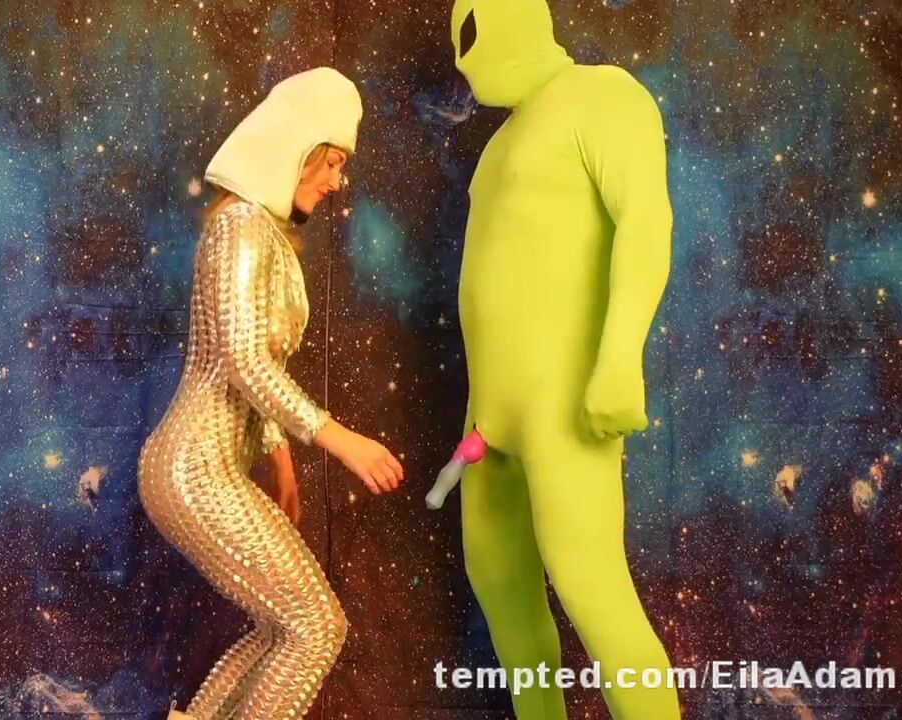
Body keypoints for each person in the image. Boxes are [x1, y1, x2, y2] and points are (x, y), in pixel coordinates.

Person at [137, 66, 405, 720]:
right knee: (315, 627)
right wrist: (340, 441)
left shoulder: (263, 233)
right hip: (192, 469)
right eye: (332, 162)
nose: (338, 181)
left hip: (209, 467)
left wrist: (281, 463)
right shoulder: (240, 226)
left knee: (280, 628)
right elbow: (240, 359)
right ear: (297, 149)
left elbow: (253, 360)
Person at [449, 0, 680, 718]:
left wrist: (620, 359)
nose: (461, 60)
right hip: (488, 417)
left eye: (469, 35)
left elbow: (645, 219)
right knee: (500, 589)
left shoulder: (601, 94)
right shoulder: (496, 147)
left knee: (592, 589)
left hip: (564, 403)